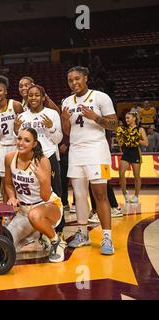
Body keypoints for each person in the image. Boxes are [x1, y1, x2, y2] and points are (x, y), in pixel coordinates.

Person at [61, 66, 118, 255]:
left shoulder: (101, 97)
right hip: (76, 151)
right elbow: (68, 131)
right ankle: (82, 234)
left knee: (100, 194)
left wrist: (96, 117)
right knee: (78, 196)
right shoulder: (67, 102)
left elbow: (114, 125)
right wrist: (64, 119)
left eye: (77, 78)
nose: (74, 83)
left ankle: (107, 237)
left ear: (86, 78)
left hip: (96, 150)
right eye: (70, 80)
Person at [4, 128, 66, 263]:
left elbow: (45, 196)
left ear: (34, 144)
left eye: (27, 140)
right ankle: (36, 234)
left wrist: (43, 178)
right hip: (24, 212)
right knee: (6, 245)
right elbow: (8, 184)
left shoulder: (42, 161)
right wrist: (12, 197)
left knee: (35, 215)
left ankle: (57, 242)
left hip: (48, 207)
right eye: (19, 138)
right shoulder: (9, 158)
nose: (21, 143)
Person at [0, 75, 23, 204]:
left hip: (18, 147)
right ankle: (7, 214)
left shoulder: (16, 105)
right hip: (3, 148)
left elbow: (24, 131)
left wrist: (17, 129)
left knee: (20, 180)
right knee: (6, 183)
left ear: (6, 91)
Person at [116, 112, 148, 203]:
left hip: (135, 153)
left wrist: (136, 138)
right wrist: (120, 139)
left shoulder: (140, 129)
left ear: (134, 118)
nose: (126, 120)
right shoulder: (124, 129)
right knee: (121, 174)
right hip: (126, 152)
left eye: (128, 118)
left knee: (136, 176)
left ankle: (136, 196)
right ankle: (125, 193)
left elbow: (146, 143)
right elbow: (120, 144)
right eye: (125, 118)